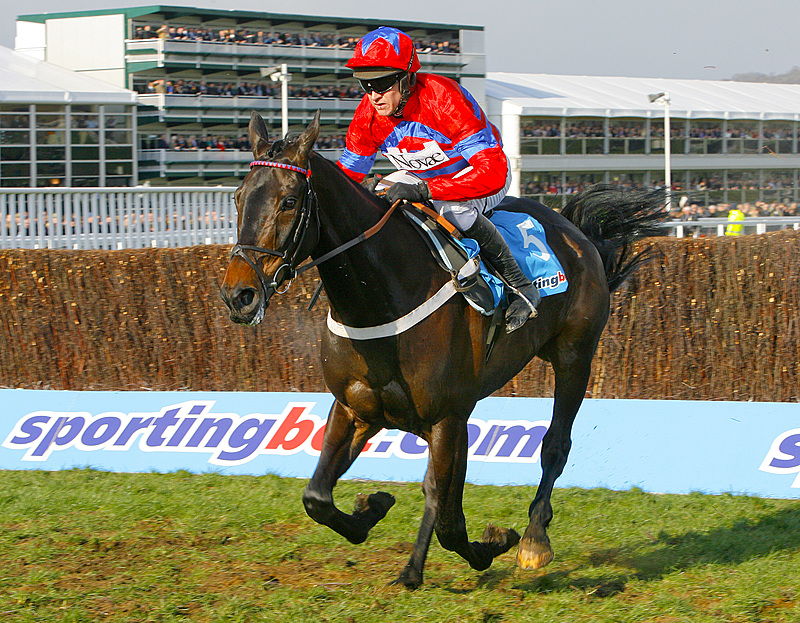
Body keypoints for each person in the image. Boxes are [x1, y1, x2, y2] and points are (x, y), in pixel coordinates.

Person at [336, 26, 539, 332]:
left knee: (451, 208)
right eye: (366, 84)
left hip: (479, 175)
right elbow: (346, 176)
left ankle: (521, 287)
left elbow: (492, 172)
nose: (374, 95)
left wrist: (426, 189)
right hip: (422, 178)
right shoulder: (368, 115)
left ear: (407, 77)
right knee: (376, 196)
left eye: (382, 82)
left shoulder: (443, 98)